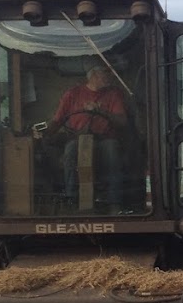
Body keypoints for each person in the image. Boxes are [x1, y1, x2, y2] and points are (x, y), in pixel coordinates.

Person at [48, 64, 128, 207]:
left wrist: (101, 111)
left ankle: (113, 200)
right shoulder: (72, 94)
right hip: (78, 139)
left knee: (112, 150)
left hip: (105, 139)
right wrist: (45, 134)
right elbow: (58, 120)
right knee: (70, 150)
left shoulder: (114, 94)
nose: (109, 76)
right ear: (93, 76)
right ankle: (71, 197)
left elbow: (122, 122)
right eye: (105, 73)